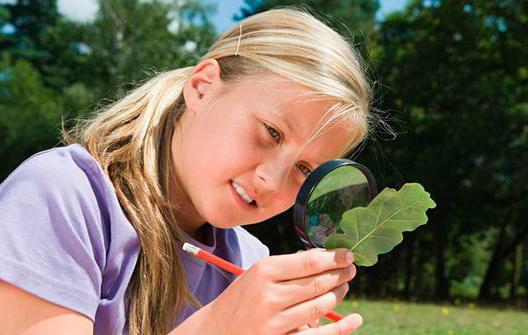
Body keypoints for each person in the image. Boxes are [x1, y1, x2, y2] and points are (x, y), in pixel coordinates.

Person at [0, 7, 378, 335]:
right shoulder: (61, 198)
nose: (272, 179)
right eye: (271, 132)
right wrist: (219, 327)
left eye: (304, 169)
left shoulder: (247, 261)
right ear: (202, 87)